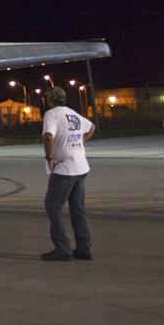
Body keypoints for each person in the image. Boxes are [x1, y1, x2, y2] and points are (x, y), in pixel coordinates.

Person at [41, 87, 96, 261]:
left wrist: (49, 157)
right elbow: (91, 127)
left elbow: (48, 136)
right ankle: (84, 248)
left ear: (49, 100)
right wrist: (79, 141)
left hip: (65, 169)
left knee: (53, 206)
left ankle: (62, 248)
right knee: (78, 209)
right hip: (81, 167)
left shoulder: (51, 114)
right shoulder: (72, 113)